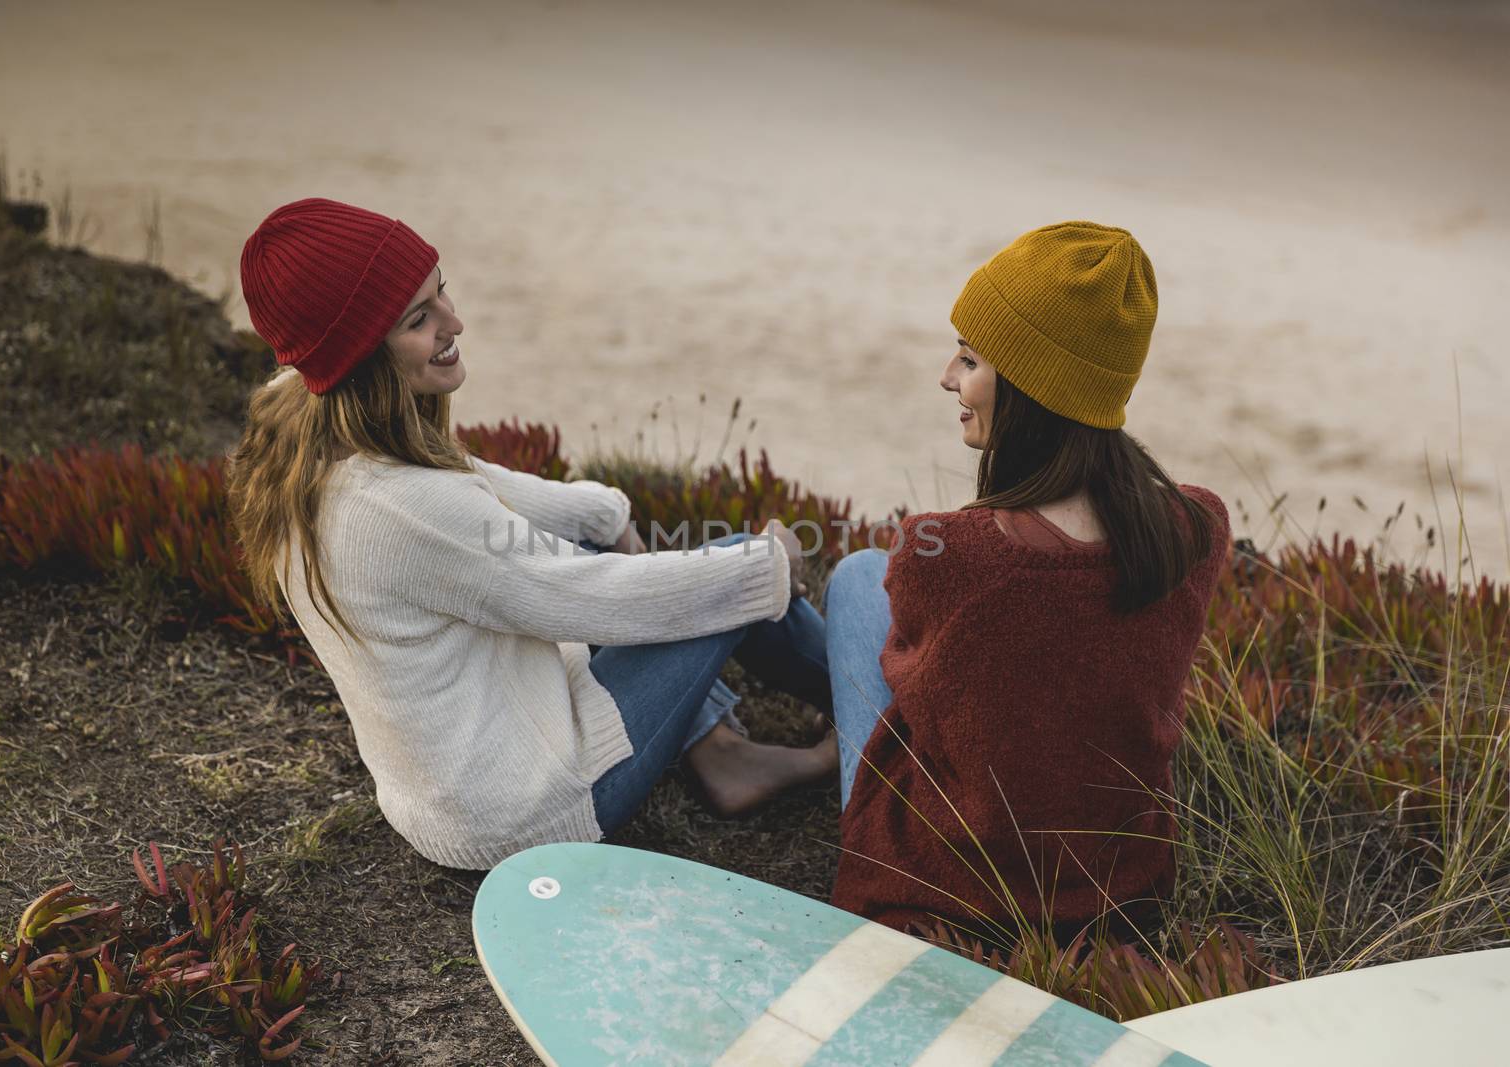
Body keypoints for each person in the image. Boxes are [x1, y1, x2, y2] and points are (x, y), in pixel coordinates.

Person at [225, 197, 836, 871]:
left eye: (440, 292)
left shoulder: (307, 428)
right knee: (733, 566)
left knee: (630, 554)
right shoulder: (407, 512)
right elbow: (596, 598)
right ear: (362, 358)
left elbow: (475, 482)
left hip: (455, 787)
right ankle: (889, 706)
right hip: (531, 809)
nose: (454, 322)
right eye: (419, 319)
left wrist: (605, 512)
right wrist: (767, 562)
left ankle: (723, 754)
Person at [822, 221, 1232, 945]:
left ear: (1034, 385)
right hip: (1116, 895)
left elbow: (909, 684)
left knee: (858, 579)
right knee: (868, 587)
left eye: (970, 359)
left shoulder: (946, 553)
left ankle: (759, 682)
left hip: (951, 889)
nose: (947, 377)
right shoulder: (1194, 530)